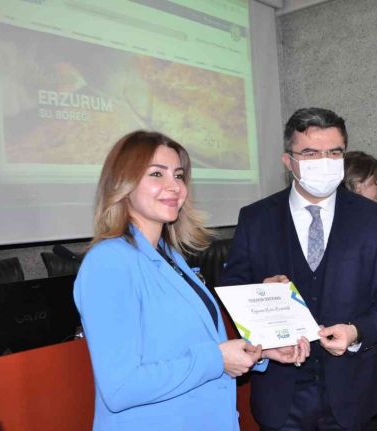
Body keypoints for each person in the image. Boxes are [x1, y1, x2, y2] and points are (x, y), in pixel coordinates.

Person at [74, 131, 287, 430]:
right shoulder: (109, 262)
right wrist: (217, 360)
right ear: (123, 183)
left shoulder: (169, 255)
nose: (174, 186)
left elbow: (188, 345)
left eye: (178, 175)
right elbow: (121, 387)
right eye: (156, 174)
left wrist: (257, 350)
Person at [221, 108, 377, 430]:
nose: (324, 162)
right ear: (288, 161)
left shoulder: (372, 218)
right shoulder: (256, 218)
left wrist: (357, 331)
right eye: (310, 153)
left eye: (334, 153)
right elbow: (233, 287)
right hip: (282, 394)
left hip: (355, 393)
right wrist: (260, 293)